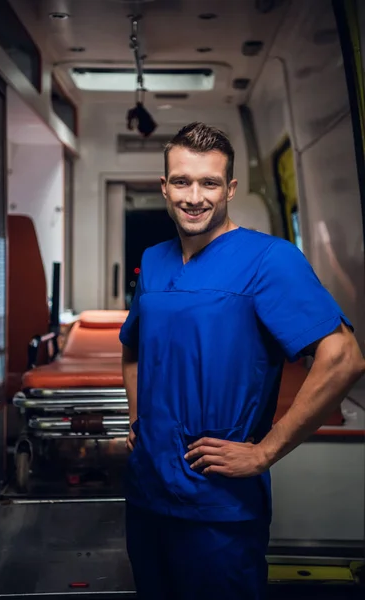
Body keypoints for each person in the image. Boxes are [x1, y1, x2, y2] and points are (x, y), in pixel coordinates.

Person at [119, 122, 364, 600]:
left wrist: (265, 451)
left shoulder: (270, 259)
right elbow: (133, 344)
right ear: (164, 187)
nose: (194, 197)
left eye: (209, 183)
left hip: (218, 506)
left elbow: (344, 358)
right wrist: (136, 416)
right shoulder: (154, 260)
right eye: (183, 182)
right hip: (146, 494)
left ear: (229, 188)